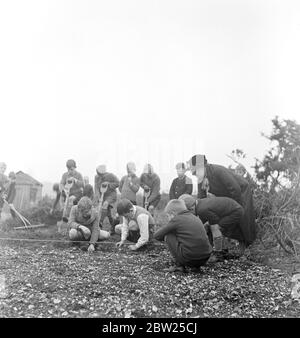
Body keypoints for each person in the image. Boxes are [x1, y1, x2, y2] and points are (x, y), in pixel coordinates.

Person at [187, 154, 257, 248]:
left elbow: (235, 189)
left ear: (202, 166)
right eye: (193, 173)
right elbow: (201, 201)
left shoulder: (218, 170)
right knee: (221, 216)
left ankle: (248, 243)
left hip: (241, 191)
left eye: (195, 172)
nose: (195, 174)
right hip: (226, 194)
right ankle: (229, 241)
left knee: (242, 216)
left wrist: (233, 206)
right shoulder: (201, 179)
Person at [179, 194, 245, 259]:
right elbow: (202, 223)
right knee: (207, 227)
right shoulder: (200, 203)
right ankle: (209, 249)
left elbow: (214, 224)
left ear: (191, 208)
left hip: (236, 212)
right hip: (230, 208)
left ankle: (218, 253)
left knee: (215, 229)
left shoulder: (202, 210)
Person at [154, 199, 212, 272]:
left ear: (173, 213)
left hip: (189, 259)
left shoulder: (177, 219)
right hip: (205, 258)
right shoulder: (194, 217)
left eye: (168, 216)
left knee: (168, 236)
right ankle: (196, 267)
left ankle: (178, 265)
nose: (168, 218)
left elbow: (157, 235)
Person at [94, 165, 119, 233]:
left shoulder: (111, 175)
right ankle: (114, 226)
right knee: (108, 214)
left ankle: (100, 223)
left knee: (105, 205)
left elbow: (117, 183)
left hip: (111, 195)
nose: (100, 176)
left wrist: (109, 184)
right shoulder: (96, 177)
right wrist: (98, 197)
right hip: (103, 196)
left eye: (102, 175)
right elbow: (96, 187)